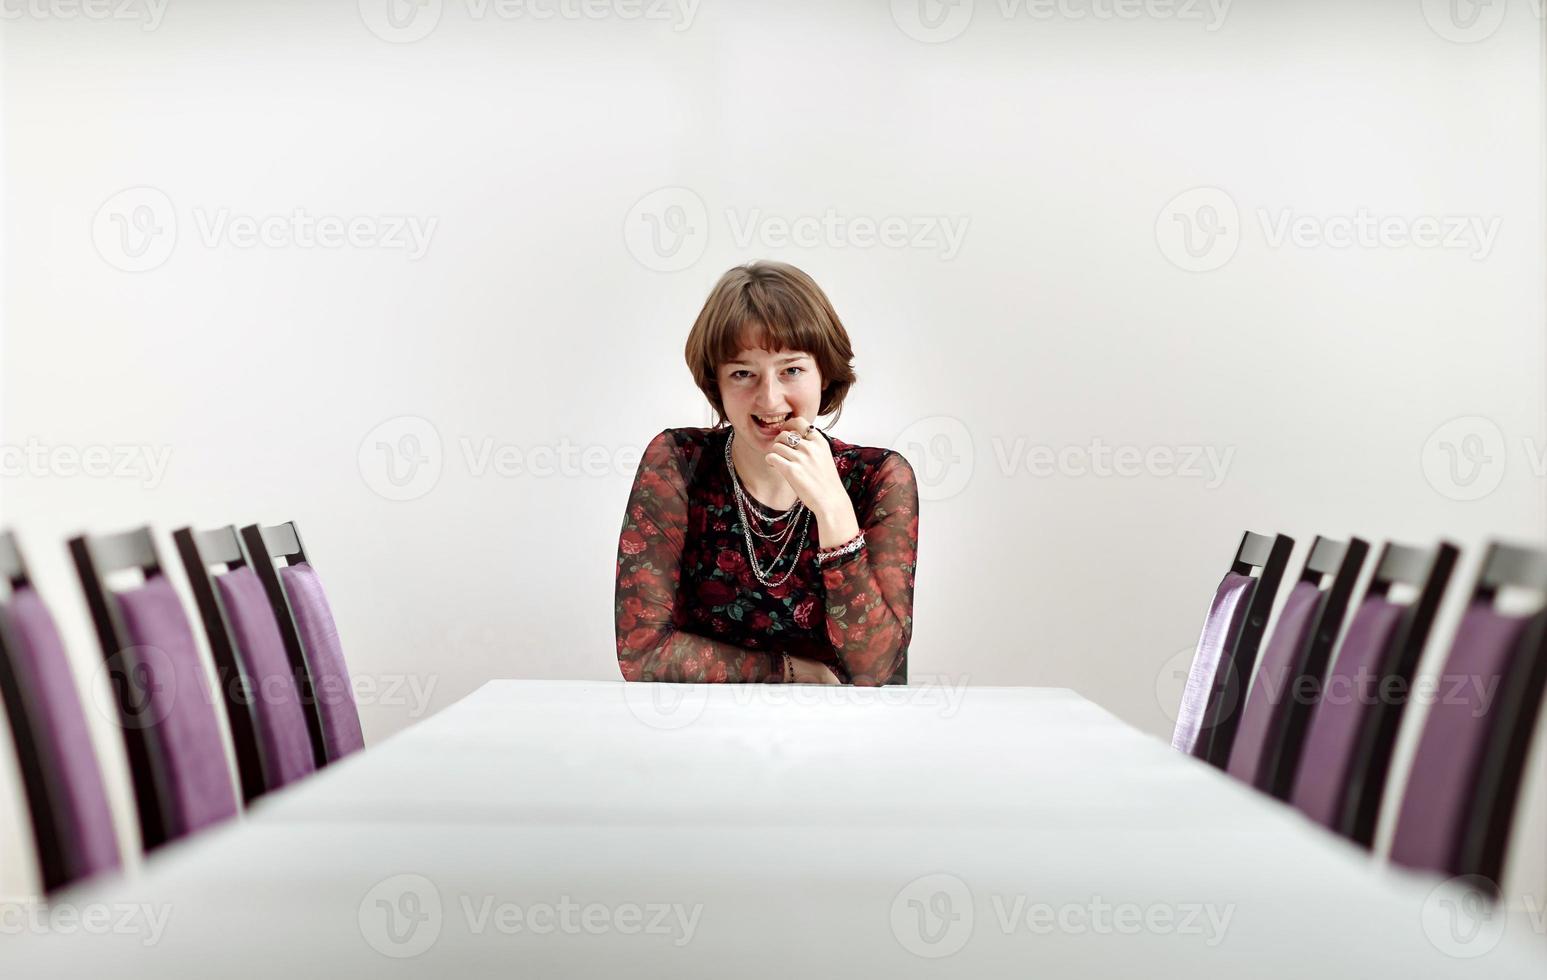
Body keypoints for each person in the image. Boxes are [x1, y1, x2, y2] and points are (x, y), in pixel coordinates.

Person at [614, 260, 919, 685]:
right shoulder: (678, 462)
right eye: (743, 373)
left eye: (791, 370)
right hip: (701, 732)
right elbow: (641, 652)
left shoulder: (879, 478)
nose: (769, 398)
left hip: (846, 738)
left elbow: (875, 672)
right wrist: (791, 671)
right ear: (715, 384)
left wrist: (834, 513)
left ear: (824, 374)